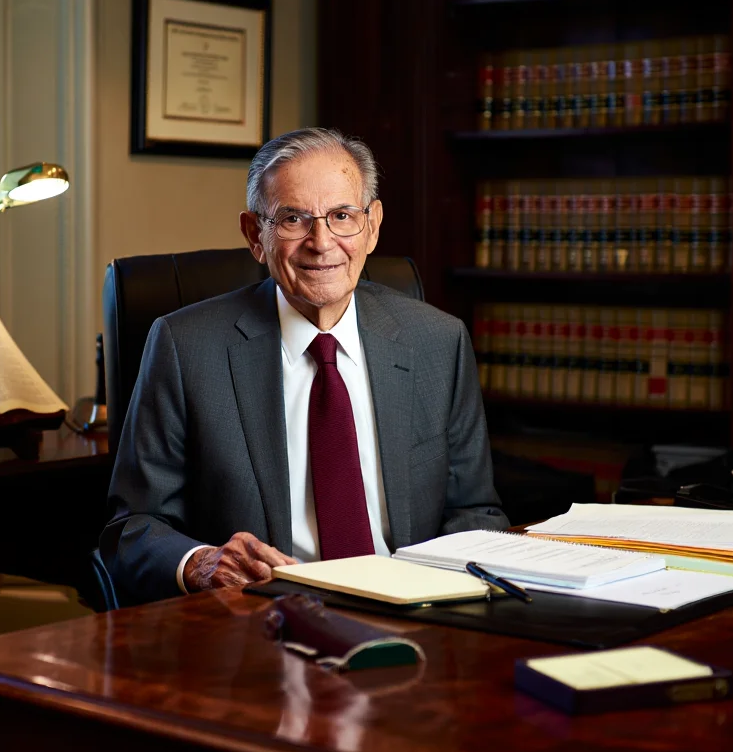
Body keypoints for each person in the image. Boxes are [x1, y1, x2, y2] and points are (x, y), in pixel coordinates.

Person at [101, 128, 507, 603]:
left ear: (372, 226)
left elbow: (475, 511)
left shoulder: (437, 341)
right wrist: (201, 563)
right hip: (261, 623)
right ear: (255, 236)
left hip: (416, 615)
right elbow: (131, 529)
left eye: (342, 216)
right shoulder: (186, 347)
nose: (321, 242)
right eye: (294, 218)